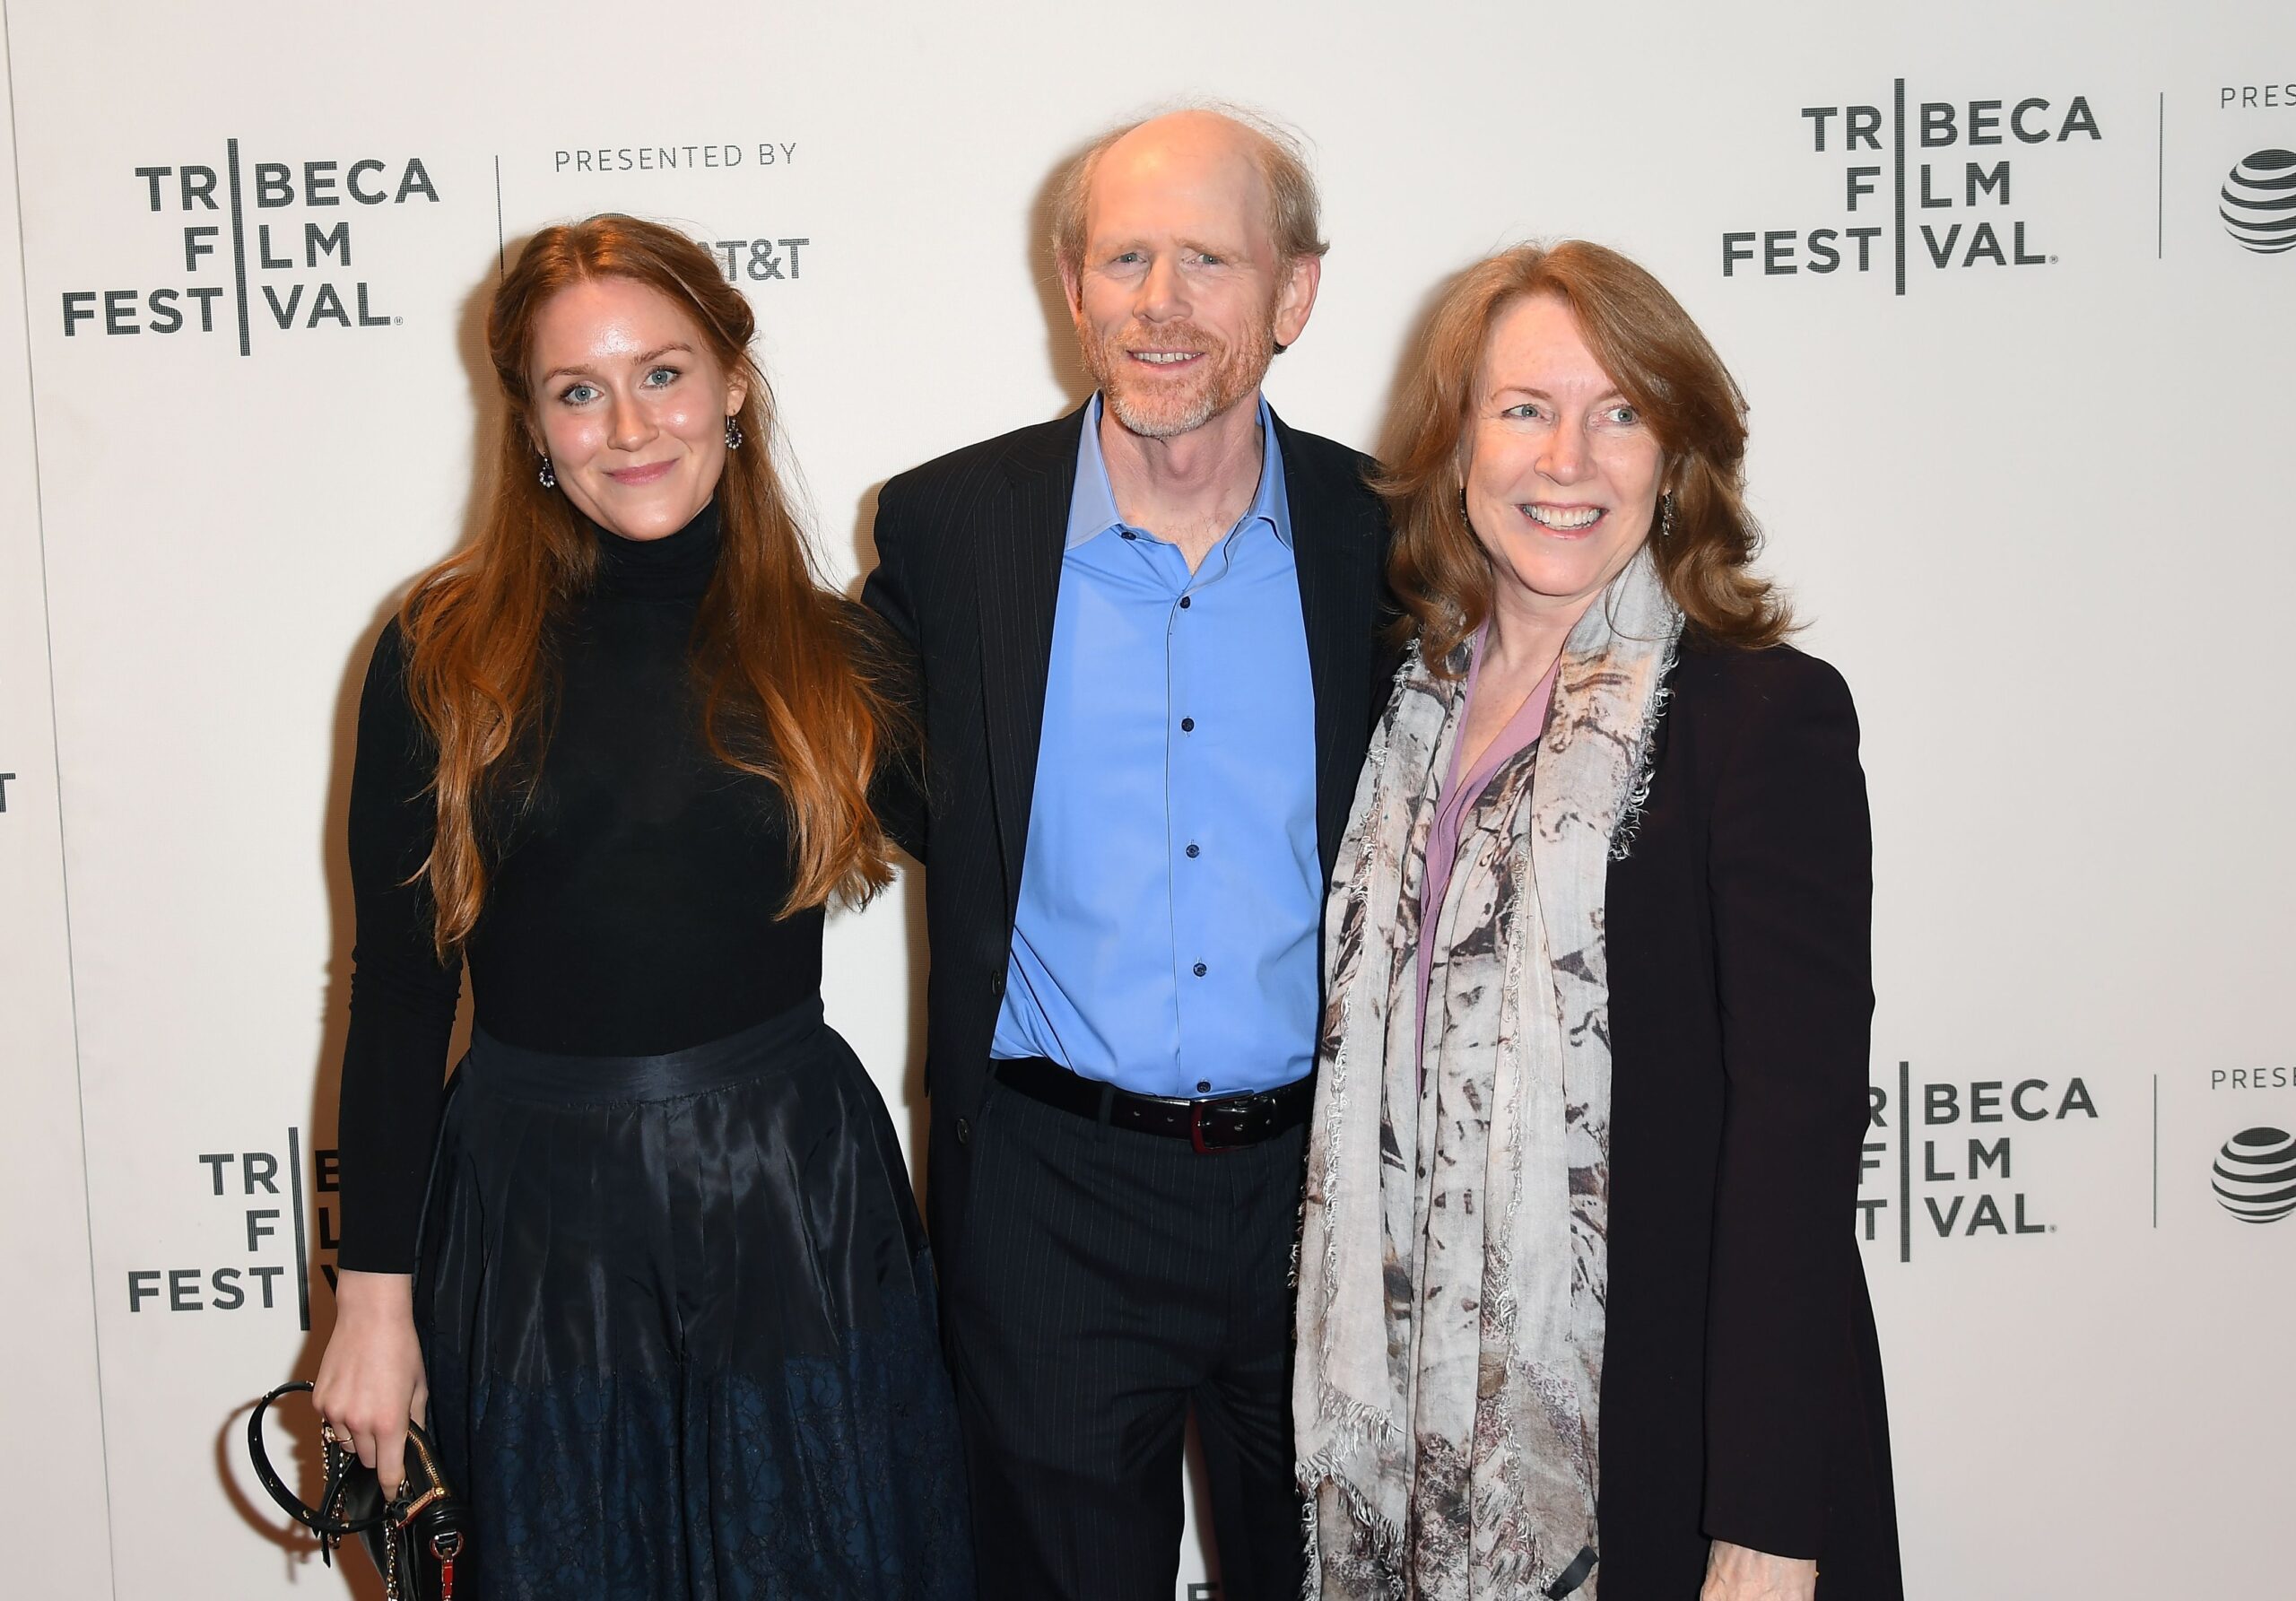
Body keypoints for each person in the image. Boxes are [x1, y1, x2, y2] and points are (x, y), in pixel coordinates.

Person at [312, 213, 970, 1599]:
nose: (628, 426)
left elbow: (1025, 854)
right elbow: (401, 994)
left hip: (793, 1199)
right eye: (579, 390)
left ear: (732, 382)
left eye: (663, 373)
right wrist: (370, 1301)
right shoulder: (440, 655)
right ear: (533, 429)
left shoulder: (840, 653)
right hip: (533, 1223)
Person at [1295, 241, 1901, 1601]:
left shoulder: (1762, 716)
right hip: (1416, 1464)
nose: (1566, 459)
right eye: (1524, 409)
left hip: (1679, 1450)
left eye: (1619, 413)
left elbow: (1796, 1139)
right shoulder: (1396, 711)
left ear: (1674, 458)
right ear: (1459, 442)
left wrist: (1766, 1513)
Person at [861, 108, 1391, 1600]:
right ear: (1071, 287)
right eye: (1125, 259)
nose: (1161, 303)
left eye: (1209, 259)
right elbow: (846, 767)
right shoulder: (950, 529)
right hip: (1052, 1201)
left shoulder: (1389, 535)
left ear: (1293, 292)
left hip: (1325, 1198)